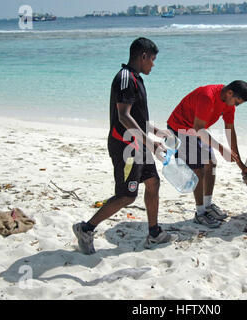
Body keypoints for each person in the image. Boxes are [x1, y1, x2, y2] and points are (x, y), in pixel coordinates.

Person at [73, 37, 176, 254]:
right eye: (153, 60)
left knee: (152, 182)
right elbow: (124, 117)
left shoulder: (137, 78)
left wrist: (156, 132)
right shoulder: (125, 78)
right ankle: (86, 228)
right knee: (127, 196)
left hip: (139, 143)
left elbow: (136, 117)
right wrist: (152, 144)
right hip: (126, 147)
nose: (153, 65)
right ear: (143, 56)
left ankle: (154, 233)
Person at [167, 81, 247, 228]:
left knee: (211, 164)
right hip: (181, 127)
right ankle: (200, 214)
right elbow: (198, 129)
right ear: (229, 93)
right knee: (198, 169)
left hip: (198, 130)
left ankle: (208, 205)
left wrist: (240, 164)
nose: (235, 106)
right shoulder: (208, 97)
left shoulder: (229, 103)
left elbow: (230, 130)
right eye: (236, 103)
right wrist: (221, 149)